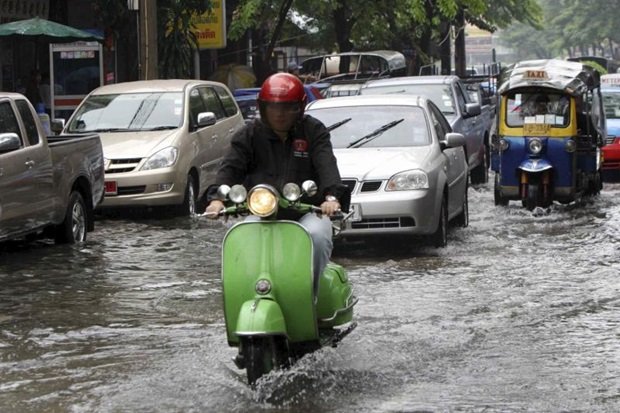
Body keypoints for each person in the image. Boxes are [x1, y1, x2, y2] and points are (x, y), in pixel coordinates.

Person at [204, 72, 349, 283]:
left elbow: (326, 164)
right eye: (273, 107)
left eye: (287, 107)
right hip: (261, 213)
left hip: (308, 211)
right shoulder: (249, 134)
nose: (279, 114)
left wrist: (331, 198)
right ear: (263, 108)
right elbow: (231, 167)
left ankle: (311, 295)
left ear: (298, 108)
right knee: (240, 236)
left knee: (317, 237)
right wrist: (217, 199)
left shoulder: (313, 131)